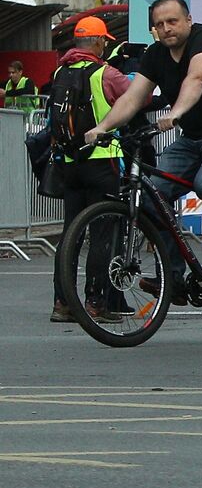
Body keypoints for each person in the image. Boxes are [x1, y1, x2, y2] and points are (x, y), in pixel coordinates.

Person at [85, 0, 202, 295]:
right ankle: (173, 275)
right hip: (193, 138)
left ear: (188, 21)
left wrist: (175, 113)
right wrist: (101, 128)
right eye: (159, 24)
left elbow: (196, 78)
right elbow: (132, 98)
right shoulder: (155, 56)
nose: (166, 28)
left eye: (172, 21)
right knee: (154, 193)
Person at [47, 17, 130, 323]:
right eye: (104, 41)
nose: (106, 45)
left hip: (70, 163)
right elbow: (139, 96)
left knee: (72, 233)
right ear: (97, 43)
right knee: (103, 233)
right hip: (101, 159)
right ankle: (97, 303)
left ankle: (62, 303)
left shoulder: (60, 71)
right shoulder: (105, 73)